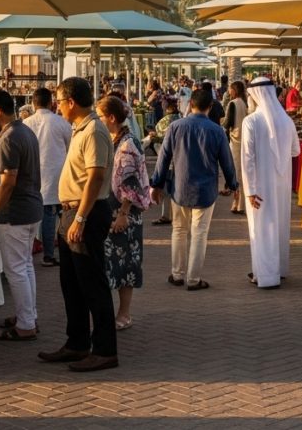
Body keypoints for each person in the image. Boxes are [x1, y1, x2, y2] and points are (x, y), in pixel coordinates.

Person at [38, 77, 118, 372]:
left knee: (92, 282)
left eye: (59, 101)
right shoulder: (80, 128)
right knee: (71, 283)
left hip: (87, 212)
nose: (57, 107)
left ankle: (105, 349)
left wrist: (81, 218)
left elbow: (96, 177)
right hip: (70, 211)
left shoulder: (94, 130)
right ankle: (77, 342)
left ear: (71, 101)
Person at [150, 88, 239, 291]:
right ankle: (193, 278)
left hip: (179, 188)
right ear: (210, 107)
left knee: (179, 230)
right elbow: (227, 162)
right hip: (205, 191)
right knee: (199, 233)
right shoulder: (216, 131)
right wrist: (233, 184)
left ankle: (177, 274)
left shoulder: (175, 127)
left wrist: (156, 184)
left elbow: (163, 159)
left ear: (190, 104)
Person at [0, 89, 43, 341]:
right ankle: (28, 316)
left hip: (15, 214)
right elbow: (7, 178)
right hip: (30, 209)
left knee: (16, 270)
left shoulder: (10, 138)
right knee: (24, 267)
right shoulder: (24, 131)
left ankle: (26, 324)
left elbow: (8, 182)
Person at [97, 96, 151, 331]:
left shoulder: (128, 144)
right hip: (110, 209)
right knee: (112, 263)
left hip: (123, 212)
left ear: (111, 118)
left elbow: (130, 182)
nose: (98, 121)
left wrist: (123, 213)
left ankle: (124, 313)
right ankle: (113, 312)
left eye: (100, 116)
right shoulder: (113, 140)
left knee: (126, 263)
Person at [241, 77, 301, 289]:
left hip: (259, 184)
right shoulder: (286, 120)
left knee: (262, 227)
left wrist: (249, 189)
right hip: (281, 183)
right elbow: (296, 151)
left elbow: (247, 159)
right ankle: (278, 269)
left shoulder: (251, 122)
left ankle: (265, 275)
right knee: (279, 225)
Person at [24, 87, 71, 267]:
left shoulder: (26, 124)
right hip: (57, 173)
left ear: (33, 103)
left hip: (33, 175)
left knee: (42, 214)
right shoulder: (61, 122)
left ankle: (40, 252)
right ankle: (51, 254)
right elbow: (70, 147)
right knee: (54, 213)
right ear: (51, 102)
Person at [221, 81, 248, 215]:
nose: (228, 91)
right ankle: (238, 203)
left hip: (235, 140)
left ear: (234, 90)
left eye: (230, 89)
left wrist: (222, 122)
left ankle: (238, 204)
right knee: (241, 172)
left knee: (236, 174)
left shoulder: (233, 104)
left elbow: (228, 123)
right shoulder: (243, 103)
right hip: (243, 139)